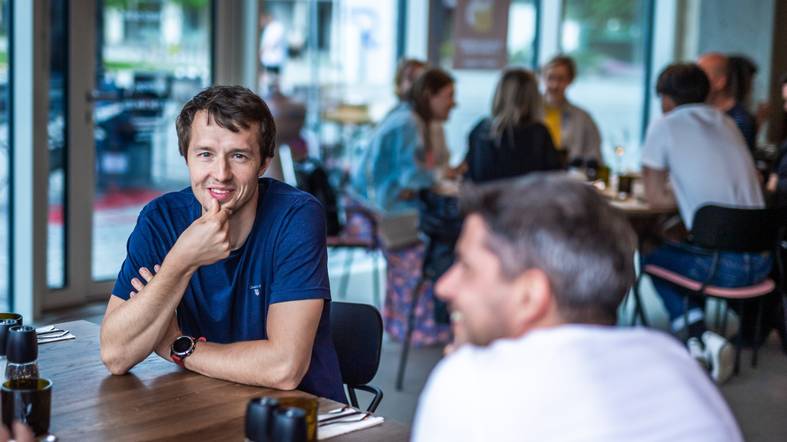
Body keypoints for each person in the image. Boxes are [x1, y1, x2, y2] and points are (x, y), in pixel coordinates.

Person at [412, 174, 742, 442]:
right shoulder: (672, 359)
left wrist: (468, 371)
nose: (444, 285)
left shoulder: (468, 386)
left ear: (530, 296)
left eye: (466, 267)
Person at [99, 86, 345, 403]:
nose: (221, 174)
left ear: (263, 163)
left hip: (299, 415)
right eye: (205, 154)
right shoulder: (161, 220)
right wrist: (181, 261)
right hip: (208, 405)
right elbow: (116, 354)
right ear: (186, 157)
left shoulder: (296, 217)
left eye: (239, 156)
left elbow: (284, 369)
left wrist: (178, 346)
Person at [642, 63, 768, 383]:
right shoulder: (728, 122)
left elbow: (655, 199)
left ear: (667, 99)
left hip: (720, 268)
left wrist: (688, 196)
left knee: (647, 250)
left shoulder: (666, 125)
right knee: (686, 244)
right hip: (764, 262)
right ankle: (701, 339)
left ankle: (695, 335)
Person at [351, 68, 458, 345]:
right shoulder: (409, 123)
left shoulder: (403, 116)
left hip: (374, 207)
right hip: (387, 214)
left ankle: (408, 326)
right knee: (442, 244)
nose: (453, 103)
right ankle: (425, 329)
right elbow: (412, 176)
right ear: (429, 95)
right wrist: (439, 177)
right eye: (448, 96)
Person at [464, 68, 561, 183]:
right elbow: (554, 178)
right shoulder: (539, 133)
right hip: (527, 200)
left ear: (499, 94)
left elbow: (470, 175)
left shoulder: (480, 130)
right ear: (533, 97)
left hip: (487, 200)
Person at [541, 55, 602, 167]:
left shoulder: (583, 118)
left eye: (560, 79)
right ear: (543, 77)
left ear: (570, 80)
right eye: (550, 78)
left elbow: (595, 156)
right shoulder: (529, 114)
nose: (554, 85)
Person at [698, 52, 758, 151]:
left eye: (700, 76)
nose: (694, 82)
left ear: (720, 82)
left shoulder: (739, 121)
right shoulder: (701, 113)